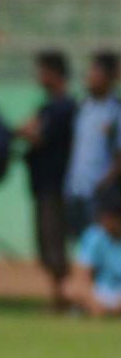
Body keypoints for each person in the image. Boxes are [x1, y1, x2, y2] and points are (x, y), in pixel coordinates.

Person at [18, 50, 76, 311]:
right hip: (43, 184)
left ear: (55, 74)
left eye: (42, 71)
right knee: (46, 241)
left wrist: (27, 131)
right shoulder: (47, 107)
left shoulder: (65, 108)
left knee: (54, 242)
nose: (38, 77)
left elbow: (36, 134)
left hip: (57, 184)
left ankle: (63, 298)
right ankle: (59, 297)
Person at [63, 51, 121, 238]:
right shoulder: (83, 107)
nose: (90, 78)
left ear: (110, 77)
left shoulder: (115, 111)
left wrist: (103, 186)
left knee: (100, 241)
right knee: (82, 244)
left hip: (99, 193)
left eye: (96, 73)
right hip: (76, 189)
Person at [67, 187, 121, 317]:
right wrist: (93, 302)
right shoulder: (94, 236)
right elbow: (82, 274)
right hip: (100, 293)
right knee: (70, 289)